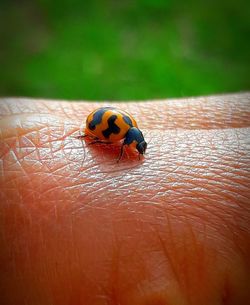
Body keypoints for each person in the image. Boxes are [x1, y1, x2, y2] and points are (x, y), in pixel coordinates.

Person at [0, 93, 249, 304]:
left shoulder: (128, 133)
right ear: (132, 140)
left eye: (138, 146)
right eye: (137, 145)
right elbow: (114, 141)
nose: (136, 148)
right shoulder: (122, 137)